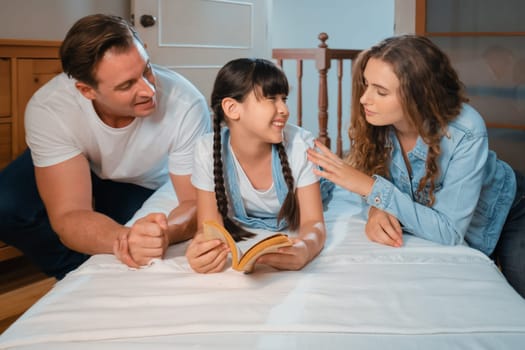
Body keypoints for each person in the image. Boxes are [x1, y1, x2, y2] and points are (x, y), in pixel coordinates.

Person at [307, 34, 525, 298]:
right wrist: (376, 207)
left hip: (511, 208)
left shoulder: (465, 129)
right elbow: (376, 182)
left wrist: (370, 188)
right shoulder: (377, 124)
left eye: (381, 91)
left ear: (418, 95)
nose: (364, 99)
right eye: (366, 85)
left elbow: (449, 231)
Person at [0, 14, 211, 279]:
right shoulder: (50, 108)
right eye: (127, 85)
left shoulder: (186, 103)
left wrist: (162, 233)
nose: (149, 90)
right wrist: (124, 239)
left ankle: (99, 272)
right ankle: (77, 275)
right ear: (87, 91)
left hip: (144, 184)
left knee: (146, 232)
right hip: (80, 167)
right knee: (5, 205)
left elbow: (195, 203)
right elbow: (70, 213)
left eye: (146, 69)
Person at [185, 58, 332, 273]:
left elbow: (313, 222)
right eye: (272, 99)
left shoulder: (300, 145)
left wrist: (306, 248)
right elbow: (208, 227)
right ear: (232, 108)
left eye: (284, 99)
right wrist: (202, 250)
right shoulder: (207, 151)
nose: (284, 109)